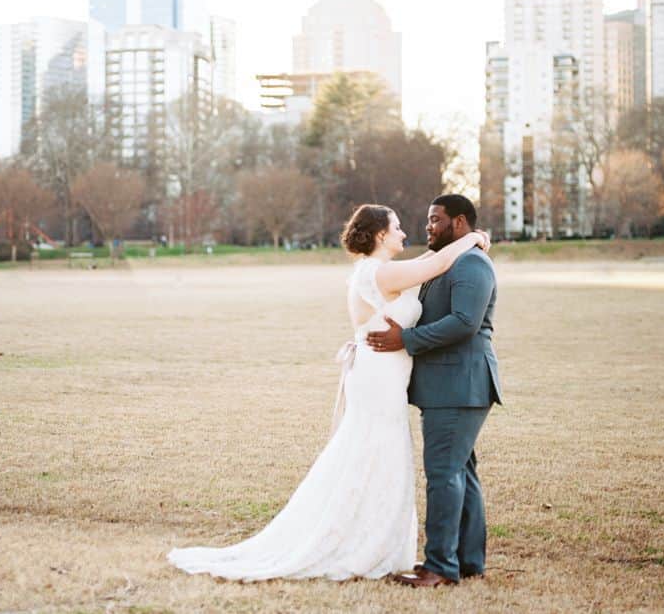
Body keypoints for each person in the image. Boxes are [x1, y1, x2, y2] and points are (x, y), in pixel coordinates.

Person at [167, 203, 489, 582]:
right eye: (398, 227)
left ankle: (374, 540)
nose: (406, 233)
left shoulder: (375, 270)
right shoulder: (382, 272)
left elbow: (427, 263)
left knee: (375, 454)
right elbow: (434, 264)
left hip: (380, 375)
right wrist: (473, 237)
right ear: (381, 235)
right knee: (374, 453)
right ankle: (360, 543)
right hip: (379, 378)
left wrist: (466, 240)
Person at [366, 194, 503, 587]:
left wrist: (405, 340)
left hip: (460, 385)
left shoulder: (472, 264)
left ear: (459, 223)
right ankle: (468, 561)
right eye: (427, 219)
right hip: (451, 385)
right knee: (461, 473)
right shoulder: (448, 260)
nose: (428, 226)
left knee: (444, 475)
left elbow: (464, 323)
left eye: (436, 220)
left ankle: (439, 567)